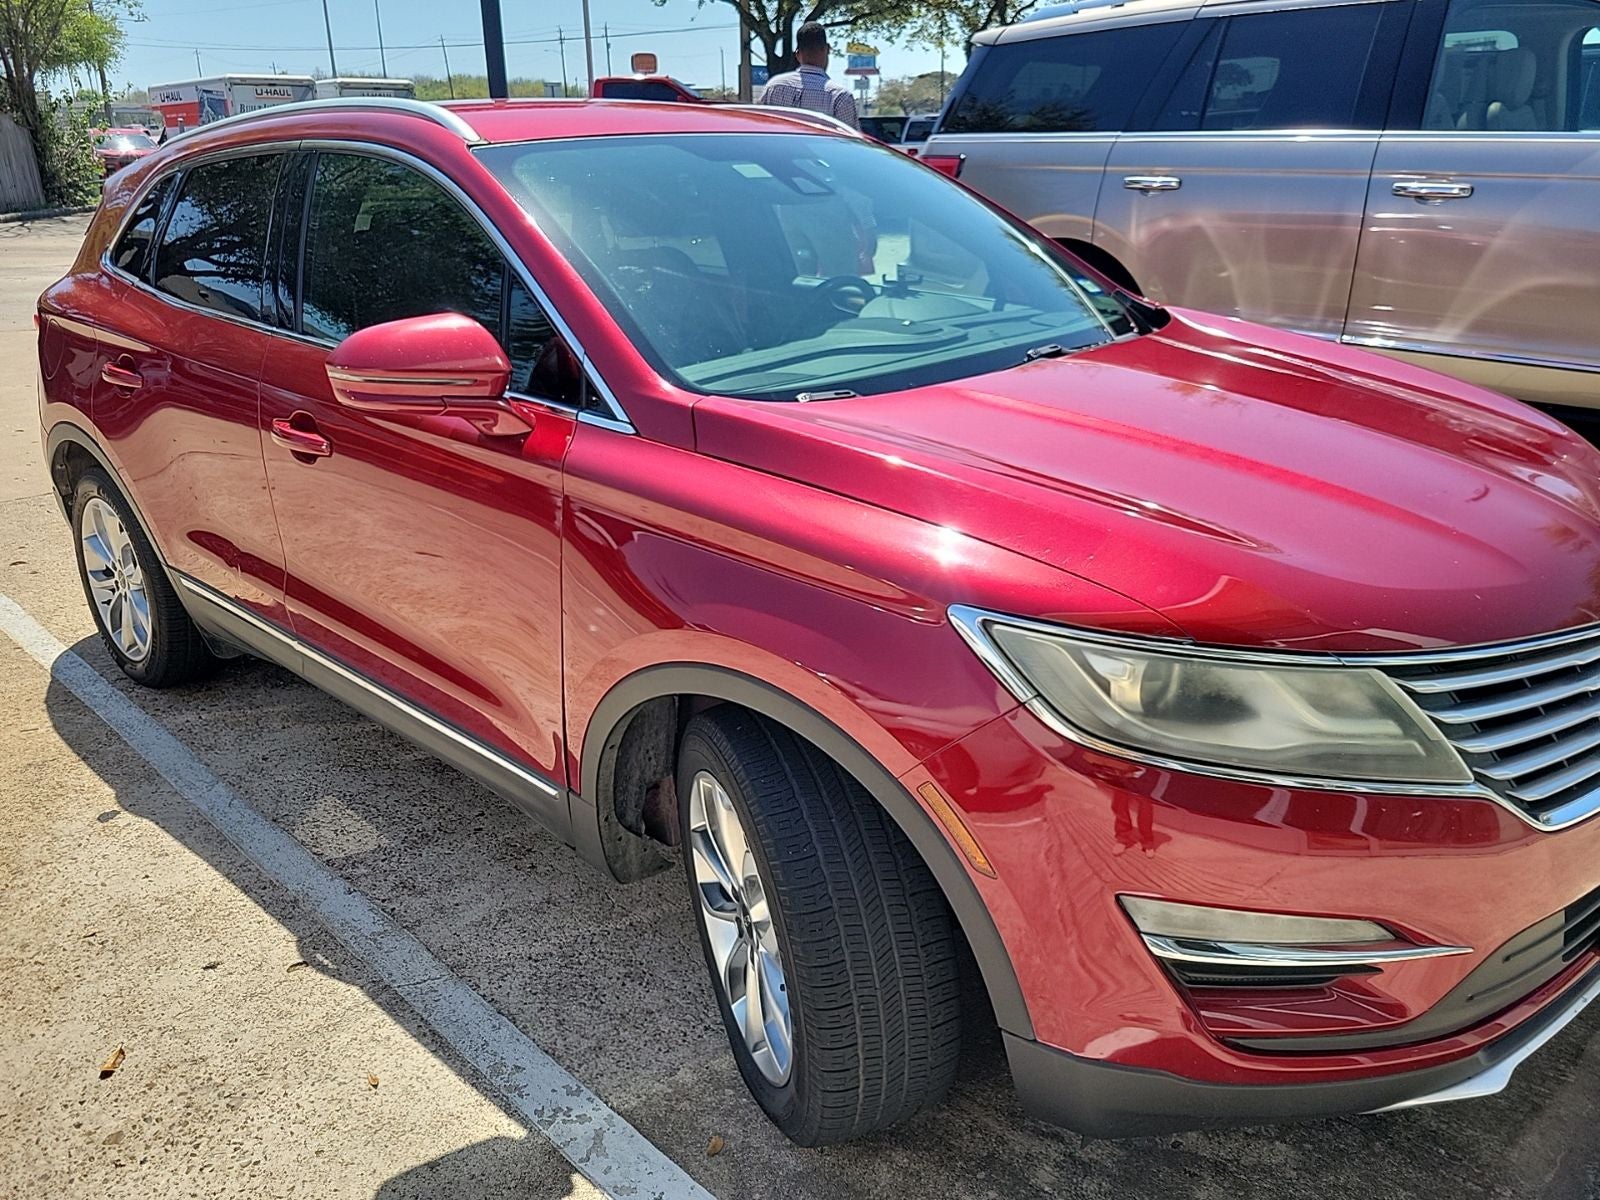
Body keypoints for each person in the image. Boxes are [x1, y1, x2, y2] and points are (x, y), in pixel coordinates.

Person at [755, 22, 860, 130]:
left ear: (797, 54)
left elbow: (758, 127)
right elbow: (851, 141)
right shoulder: (839, 96)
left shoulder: (773, 87)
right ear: (827, 49)